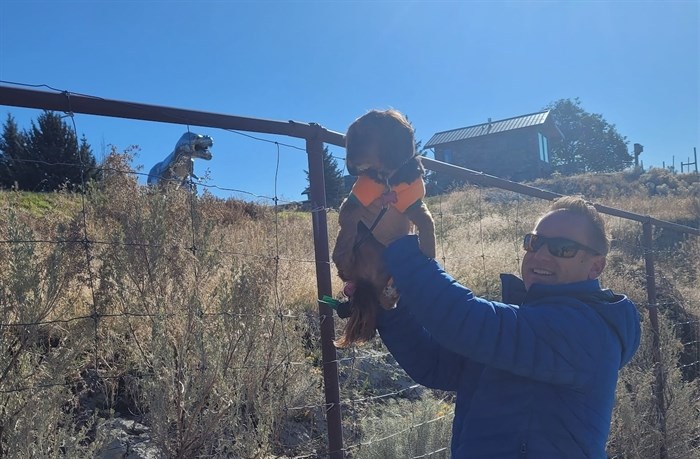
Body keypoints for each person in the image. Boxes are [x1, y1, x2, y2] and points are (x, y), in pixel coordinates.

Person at [374, 196, 641, 458]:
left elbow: (464, 319)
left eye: (563, 248)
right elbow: (435, 365)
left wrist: (400, 246)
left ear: (596, 266)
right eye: (535, 242)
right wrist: (388, 307)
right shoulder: (525, 322)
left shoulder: (588, 331)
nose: (541, 255)